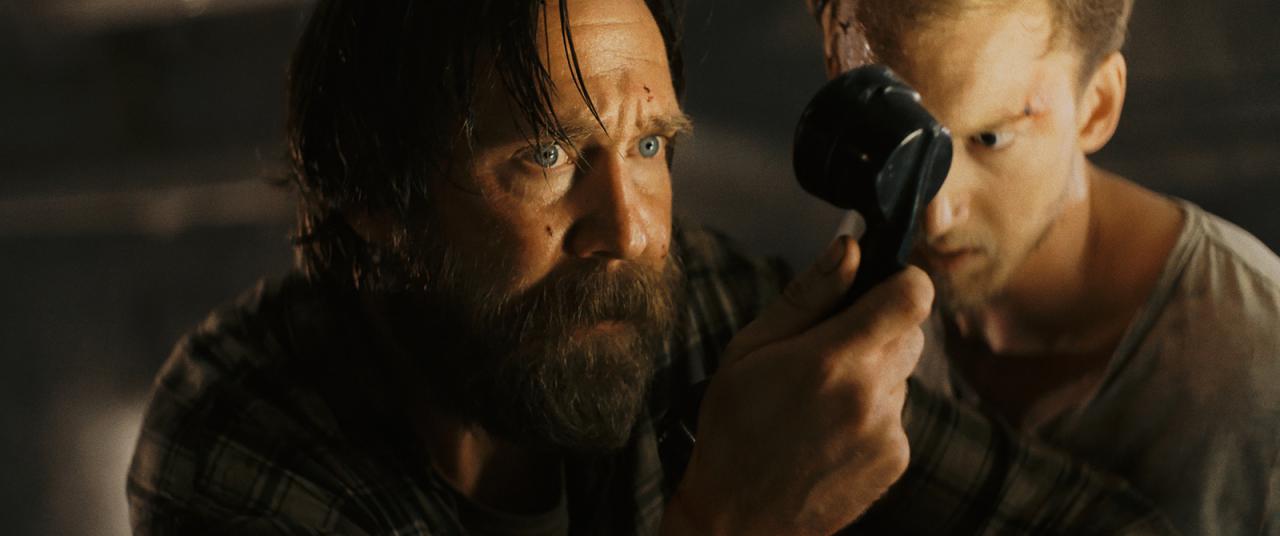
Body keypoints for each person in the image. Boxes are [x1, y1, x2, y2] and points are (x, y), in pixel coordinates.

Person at [127, 0, 1178, 534]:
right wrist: (729, 521)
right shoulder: (242, 455)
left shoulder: (695, 313)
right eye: (545, 157)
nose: (630, 232)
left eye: (646, 146)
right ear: (376, 208)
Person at [811, 0, 1280, 533]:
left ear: (1097, 105)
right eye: (900, 140)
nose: (936, 214)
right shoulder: (866, 248)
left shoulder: (1260, 367)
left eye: (990, 138)